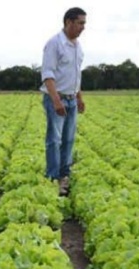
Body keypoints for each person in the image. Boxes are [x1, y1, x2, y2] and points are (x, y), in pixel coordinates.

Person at [40, 7, 86, 196]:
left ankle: (64, 175)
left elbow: (75, 74)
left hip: (71, 99)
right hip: (56, 99)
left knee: (68, 139)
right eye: (80, 23)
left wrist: (79, 97)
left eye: (84, 23)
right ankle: (53, 177)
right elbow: (48, 74)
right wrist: (56, 100)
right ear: (68, 22)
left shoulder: (78, 47)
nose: (83, 27)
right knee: (54, 140)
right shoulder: (55, 43)